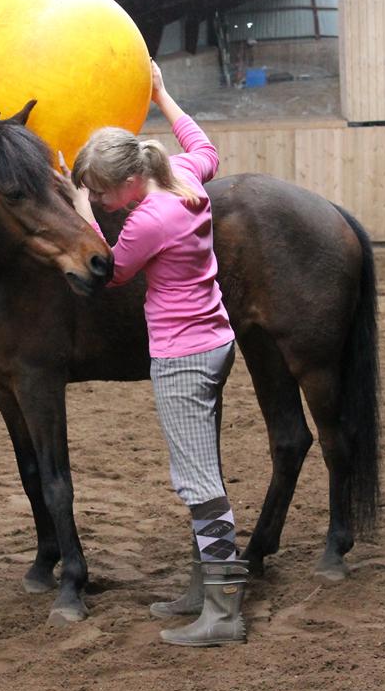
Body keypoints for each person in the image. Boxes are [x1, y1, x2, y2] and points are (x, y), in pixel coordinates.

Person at [58, 61, 247, 648]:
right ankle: (202, 590)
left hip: (181, 356)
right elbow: (204, 146)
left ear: (130, 182)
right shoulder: (182, 174)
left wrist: (77, 207)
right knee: (203, 472)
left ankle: (224, 612)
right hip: (215, 340)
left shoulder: (148, 219)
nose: (100, 200)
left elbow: (110, 273)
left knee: (199, 484)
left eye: (101, 192)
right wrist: (162, 95)